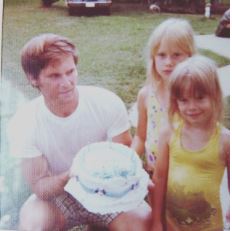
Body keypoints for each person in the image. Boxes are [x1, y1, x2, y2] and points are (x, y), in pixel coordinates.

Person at [7, 33, 152, 231]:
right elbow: (41, 187)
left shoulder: (106, 103)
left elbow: (126, 156)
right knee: (34, 225)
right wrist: (71, 175)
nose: (66, 82)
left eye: (70, 71)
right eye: (55, 76)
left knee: (143, 222)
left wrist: (136, 176)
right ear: (33, 79)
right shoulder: (24, 122)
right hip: (61, 195)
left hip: (108, 192)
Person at [151, 55, 230, 231]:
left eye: (200, 98)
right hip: (171, 224)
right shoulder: (168, 132)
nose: (192, 107)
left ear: (215, 95)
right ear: (175, 101)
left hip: (209, 227)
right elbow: (159, 178)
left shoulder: (226, 140)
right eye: (184, 100)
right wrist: (156, 220)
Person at [131, 18, 197, 174]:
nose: (168, 62)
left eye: (176, 55)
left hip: (185, 174)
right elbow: (140, 137)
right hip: (154, 171)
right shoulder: (146, 95)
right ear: (153, 58)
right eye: (161, 55)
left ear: (190, 56)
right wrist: (129, 159)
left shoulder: (196, 98)